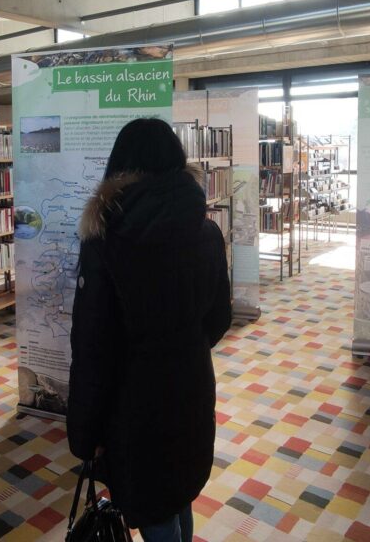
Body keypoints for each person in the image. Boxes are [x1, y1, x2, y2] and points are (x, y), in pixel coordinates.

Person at [67, 118, 232, 542]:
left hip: (134, 406)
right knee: (179, 494)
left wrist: (84, 436)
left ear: (119, 166)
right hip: (193, 387)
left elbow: (93, 348)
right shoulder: (208, 233)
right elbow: (219, 319)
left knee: (155, 507)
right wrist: (183, 349)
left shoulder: (106, 243)